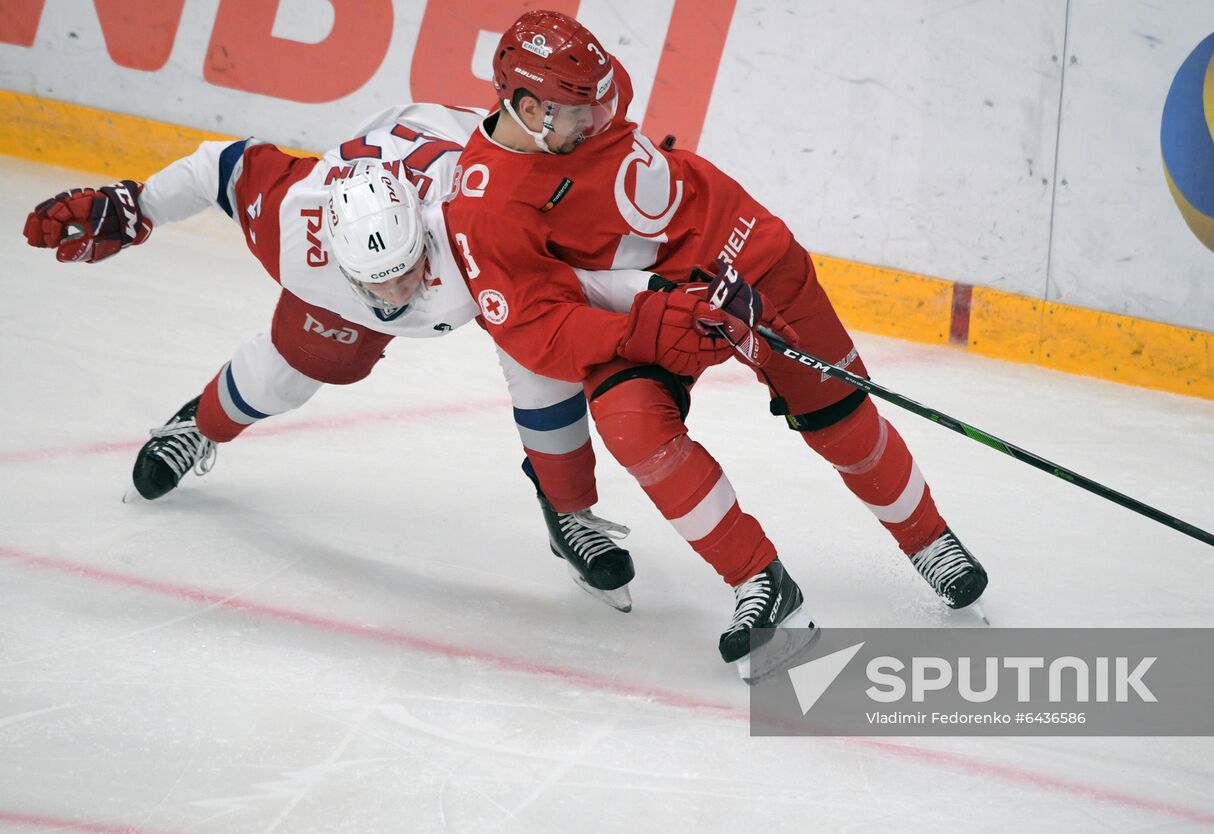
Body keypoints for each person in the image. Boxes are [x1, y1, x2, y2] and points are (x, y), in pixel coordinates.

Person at [441, 10, 990, 679]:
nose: (598, 119)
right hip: (644, 309)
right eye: (575, 114)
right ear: (526, 107)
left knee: (836, 417)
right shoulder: (486, 206)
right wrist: (641, 325)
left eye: (596, 100)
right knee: (633, 428)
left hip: (745, 247)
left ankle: (929, 539)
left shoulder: (578, 104)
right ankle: (762, 584)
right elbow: (533, 326)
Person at [21, 103, 641, 612]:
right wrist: (138, 207)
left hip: (465, 198)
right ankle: (199, 421)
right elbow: (220, 166)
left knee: (540, 352)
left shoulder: (473, 229)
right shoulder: (297, 221)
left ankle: (567, 509)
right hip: (391, 189)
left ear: (422, 235)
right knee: (288, 373)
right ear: (335, 255)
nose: (399, 297)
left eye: (406, 272)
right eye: (379, 283)